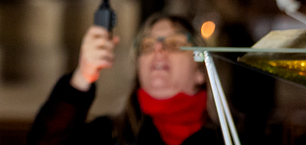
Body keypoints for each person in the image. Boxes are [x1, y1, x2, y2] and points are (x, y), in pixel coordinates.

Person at [26, 13, 220, 145]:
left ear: (201, 71)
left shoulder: (230, 133)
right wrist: (82, 76)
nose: (158, 49)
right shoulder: (110, 134)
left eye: (175, 44)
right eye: (147, 45)